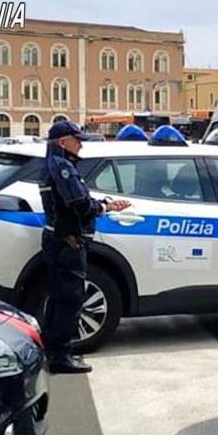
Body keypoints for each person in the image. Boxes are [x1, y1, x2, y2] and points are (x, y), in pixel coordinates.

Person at [39, 120, 130, 374]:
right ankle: (60, 355)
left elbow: (77, 199)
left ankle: (55, 351)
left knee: (60, 297)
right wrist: (101, 208)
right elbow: (78, 203)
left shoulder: (54, 165)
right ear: (62, 142)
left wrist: (104, 204)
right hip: (68, 241)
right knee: (69, 298)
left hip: (60, 239)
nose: (80, 145)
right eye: (76, 139)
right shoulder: (62, 167)